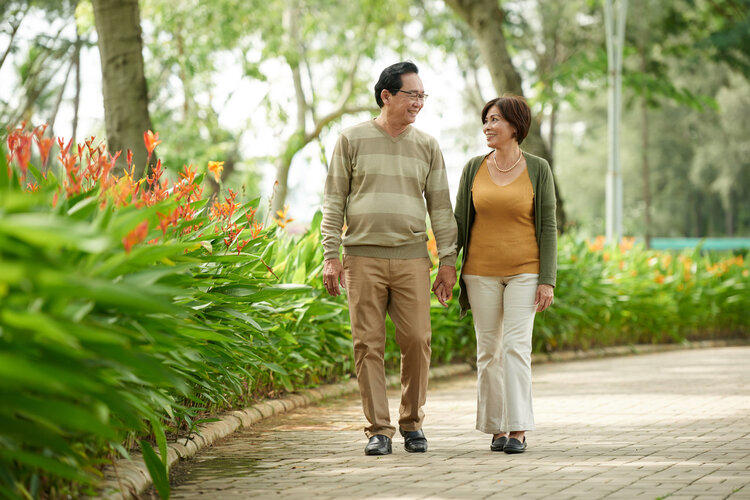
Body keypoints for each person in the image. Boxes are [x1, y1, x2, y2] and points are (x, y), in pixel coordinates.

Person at [320, 61, 458, 456]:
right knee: (368, 344)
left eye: (422, 96)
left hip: (413, 258)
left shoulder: (427, 145)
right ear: (387, 96)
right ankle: (379, 429)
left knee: (417, 339)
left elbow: (441, 210)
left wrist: (447, 261)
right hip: (362, 258)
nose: (419, 102)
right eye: (412, 95)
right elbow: (333, 203)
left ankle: (412, 423)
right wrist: (331, 257)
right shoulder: (351, 139)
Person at [451, 95, 557, 454]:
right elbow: (459, 224)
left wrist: (548, 279)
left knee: (515, 347)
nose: (488, 126)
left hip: (525, 272)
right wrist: (446, 267)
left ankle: (518, 428)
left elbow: (548, 227)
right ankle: (496, 427)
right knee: (489, 351)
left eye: (495, 120)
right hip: (479, 274)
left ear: (515, 126)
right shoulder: (473, 168)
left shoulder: (538, 168)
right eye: (486, 120)